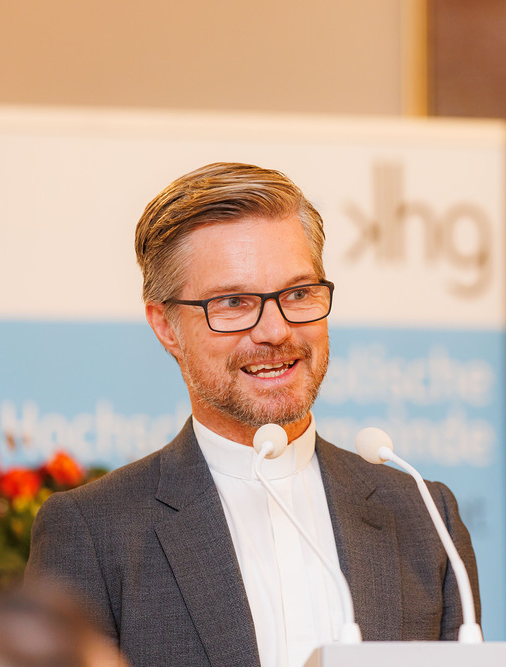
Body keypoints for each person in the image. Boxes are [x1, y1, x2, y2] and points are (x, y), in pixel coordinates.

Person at [25, 162, 480, 667]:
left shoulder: (422, 514)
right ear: (166, 327)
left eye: (298, 294)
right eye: (234, 302)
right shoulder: (94, 533)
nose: (275, 331)